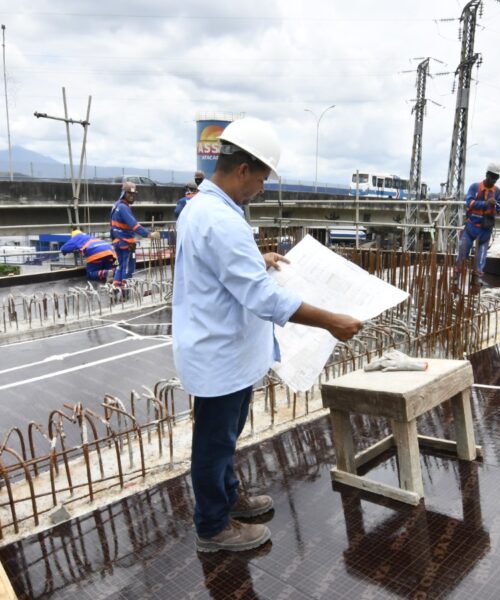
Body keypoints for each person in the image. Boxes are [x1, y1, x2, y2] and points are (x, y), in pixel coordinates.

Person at [173, 117, 362, 553]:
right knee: (213, 443)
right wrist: (332, 320)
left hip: (229, 352)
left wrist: (257, 258)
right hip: (218, 353)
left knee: (226, 436)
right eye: (261, 179)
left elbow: (222, 268)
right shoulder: (220, 220)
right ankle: (213, 527)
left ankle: (228, 496)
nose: (260, 189)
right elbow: (263, 298)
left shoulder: (208, 209)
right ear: (243, 170)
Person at [457, 163, 500, 282]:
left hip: (485, 230)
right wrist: (485, 204)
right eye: (492, 176)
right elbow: (469, 203)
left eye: (496, 177)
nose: (494, 180)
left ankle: (477, 278)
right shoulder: (475, 188)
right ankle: (457, 275)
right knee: (462, 252)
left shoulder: (498, 193)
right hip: (471, 227)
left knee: (481, 258)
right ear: (487, 175)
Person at [110, 180, 160, 288]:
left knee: (121, 266)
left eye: (133, 194)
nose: (132, 196)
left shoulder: (116, 205)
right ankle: (125, 292)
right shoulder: (124, 208)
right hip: (126, 244)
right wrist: (149, 235)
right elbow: (134, 225)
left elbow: (112, 226)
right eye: (129, 193)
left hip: (118, 242)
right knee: (128, 269)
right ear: (123, 193)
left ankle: (115, 289)